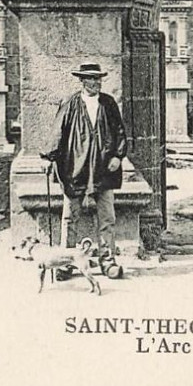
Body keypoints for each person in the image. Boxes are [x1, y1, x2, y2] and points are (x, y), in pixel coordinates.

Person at [40, 62, 128, 256]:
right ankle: (66, 259)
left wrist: (118, 156)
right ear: (82, 80)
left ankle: (107, 258)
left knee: (107, 217)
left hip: (104, 167)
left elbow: (120, 131)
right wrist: (48, 157)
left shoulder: (108, 103)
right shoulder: (71, 103)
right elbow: (57, 131)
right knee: (70, 216)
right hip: (75, 167)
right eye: (90, 78)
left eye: (98, 78)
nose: (95, 82)